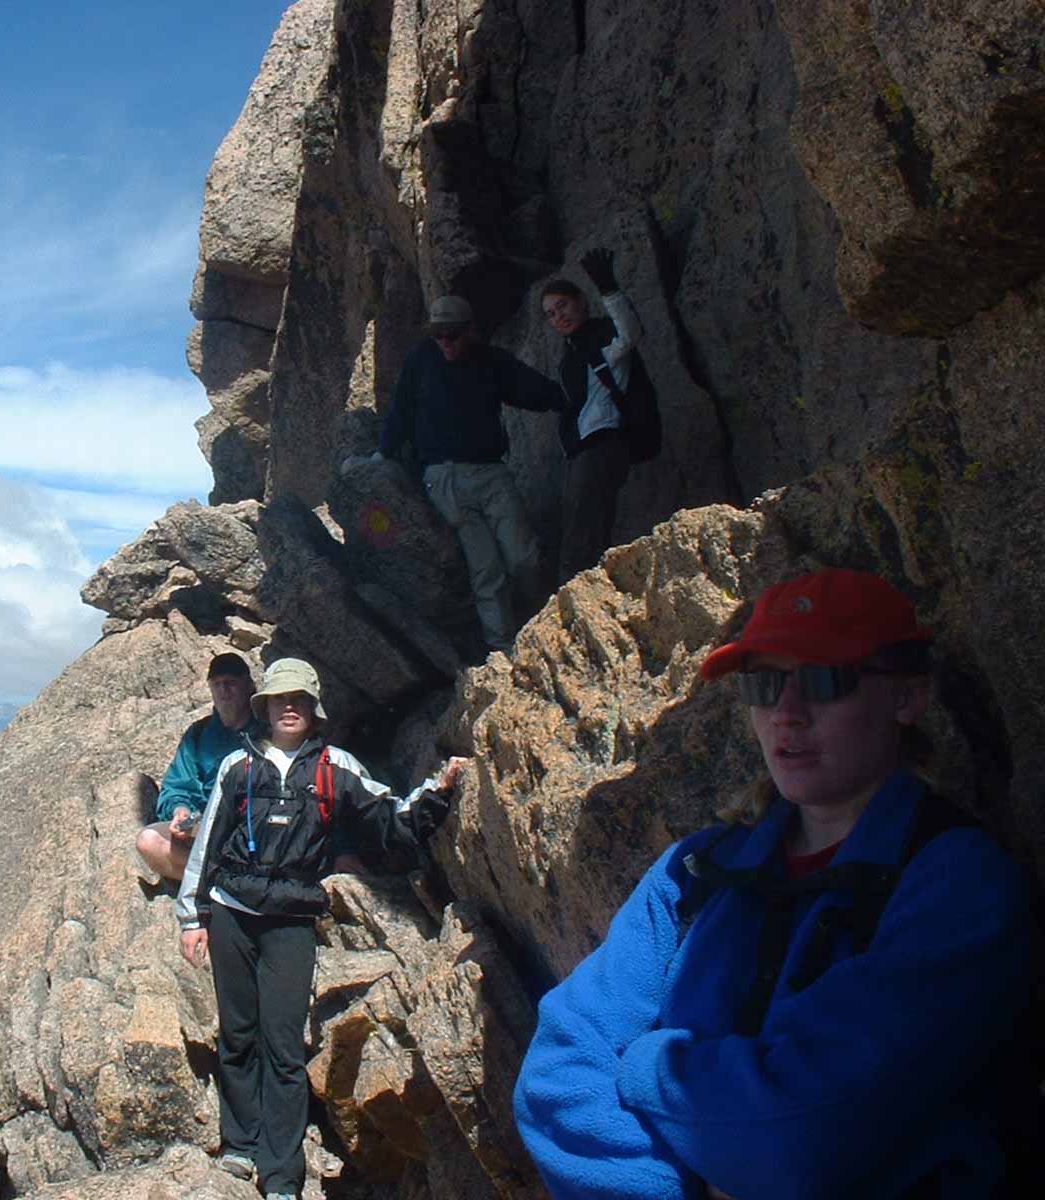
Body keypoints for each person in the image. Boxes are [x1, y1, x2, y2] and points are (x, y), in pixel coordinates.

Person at [512, 568, 1034, 1199]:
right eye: (764, 685)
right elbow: (558, 1074)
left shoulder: (959, 889)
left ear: (907, 697)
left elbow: (800, 1134)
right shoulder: (692, 873)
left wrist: (644, 1064)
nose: (787, 715)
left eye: (824, 680)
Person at [176, 657, 468, 1199]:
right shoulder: (236, 766)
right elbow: (209, 845)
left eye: (299, 700)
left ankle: (282, 1175)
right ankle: (240, 1145)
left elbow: (391, 820)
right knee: (238, 1035)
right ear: (263, 708)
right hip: (231, 913)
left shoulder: (336, 767)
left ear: (312, 709)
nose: (288, 707)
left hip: (291, 919)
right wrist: (193, 917)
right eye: (278, 699)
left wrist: (439, 788)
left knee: (283, 1044)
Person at [379, 293, 563, 652]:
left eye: (453, 334)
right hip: (444, 480)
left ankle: (549, 623)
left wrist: (577, 396)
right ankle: (503, 649)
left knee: (524, 556)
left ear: (470, 331)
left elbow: (535, 391)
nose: (445, 342)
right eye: (438, 335)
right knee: (485, 571)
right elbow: (399, 409)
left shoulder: (490, 362)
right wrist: (381, 455)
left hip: (491, 473)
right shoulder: (420, 360)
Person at [540, 247, 655, 582]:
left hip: (602, 444)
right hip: (587, 449)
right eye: (550, 313)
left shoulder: (601, 336)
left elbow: (629, 333)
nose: (558, 316)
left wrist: (609, 288)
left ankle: (571, 598)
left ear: (581, 302)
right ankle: (594, 588)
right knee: (593, 526)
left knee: (579, 532)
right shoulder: (571, 355)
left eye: (563, 305)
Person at [136, 652, 260, 881]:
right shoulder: (198, 734)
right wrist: (179, 809)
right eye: (217, 684)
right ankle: (223, 882)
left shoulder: (267, 729)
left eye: (231, 683)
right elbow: (177, 786)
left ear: (248, 685)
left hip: (256, 825)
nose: (224, 690)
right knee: (149, 840)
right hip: (206, 824)